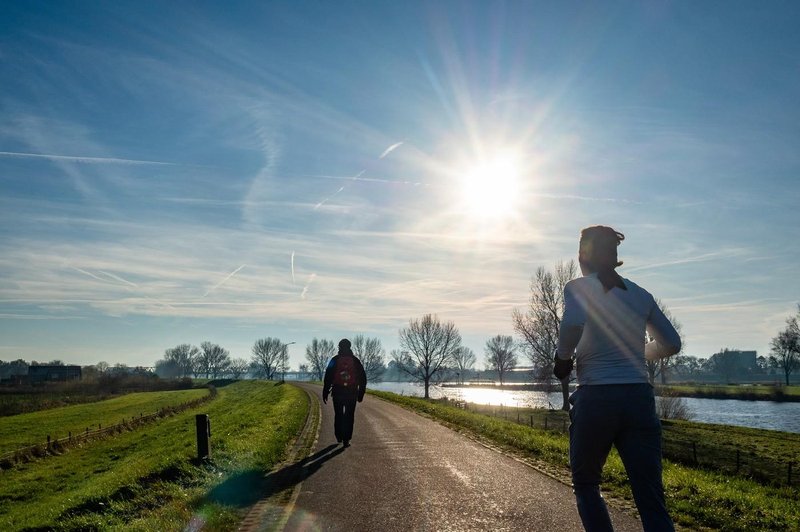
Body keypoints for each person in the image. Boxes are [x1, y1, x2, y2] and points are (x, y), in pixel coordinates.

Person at [554, 226, 681, 532]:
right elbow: (672, 343)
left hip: (596, 397)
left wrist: (563, 359)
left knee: (586, 483)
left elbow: (572, 323)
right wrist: (636, 353)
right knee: (650, 494)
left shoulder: (578, 287)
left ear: (583, 255)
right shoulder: (640, 295)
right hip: (638, 398)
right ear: (614, 255)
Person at [322, 339, 367, 448]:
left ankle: (339, 436)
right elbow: (363, 378)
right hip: (351, 393)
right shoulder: (355, 360)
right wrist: (361, 394)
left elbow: (328, 377)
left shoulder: (335, 360)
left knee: (339, 415)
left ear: (339, 347)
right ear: (350, 347)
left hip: (337, 392)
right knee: (349, 416)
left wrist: (325, 392)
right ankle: (346, 439)